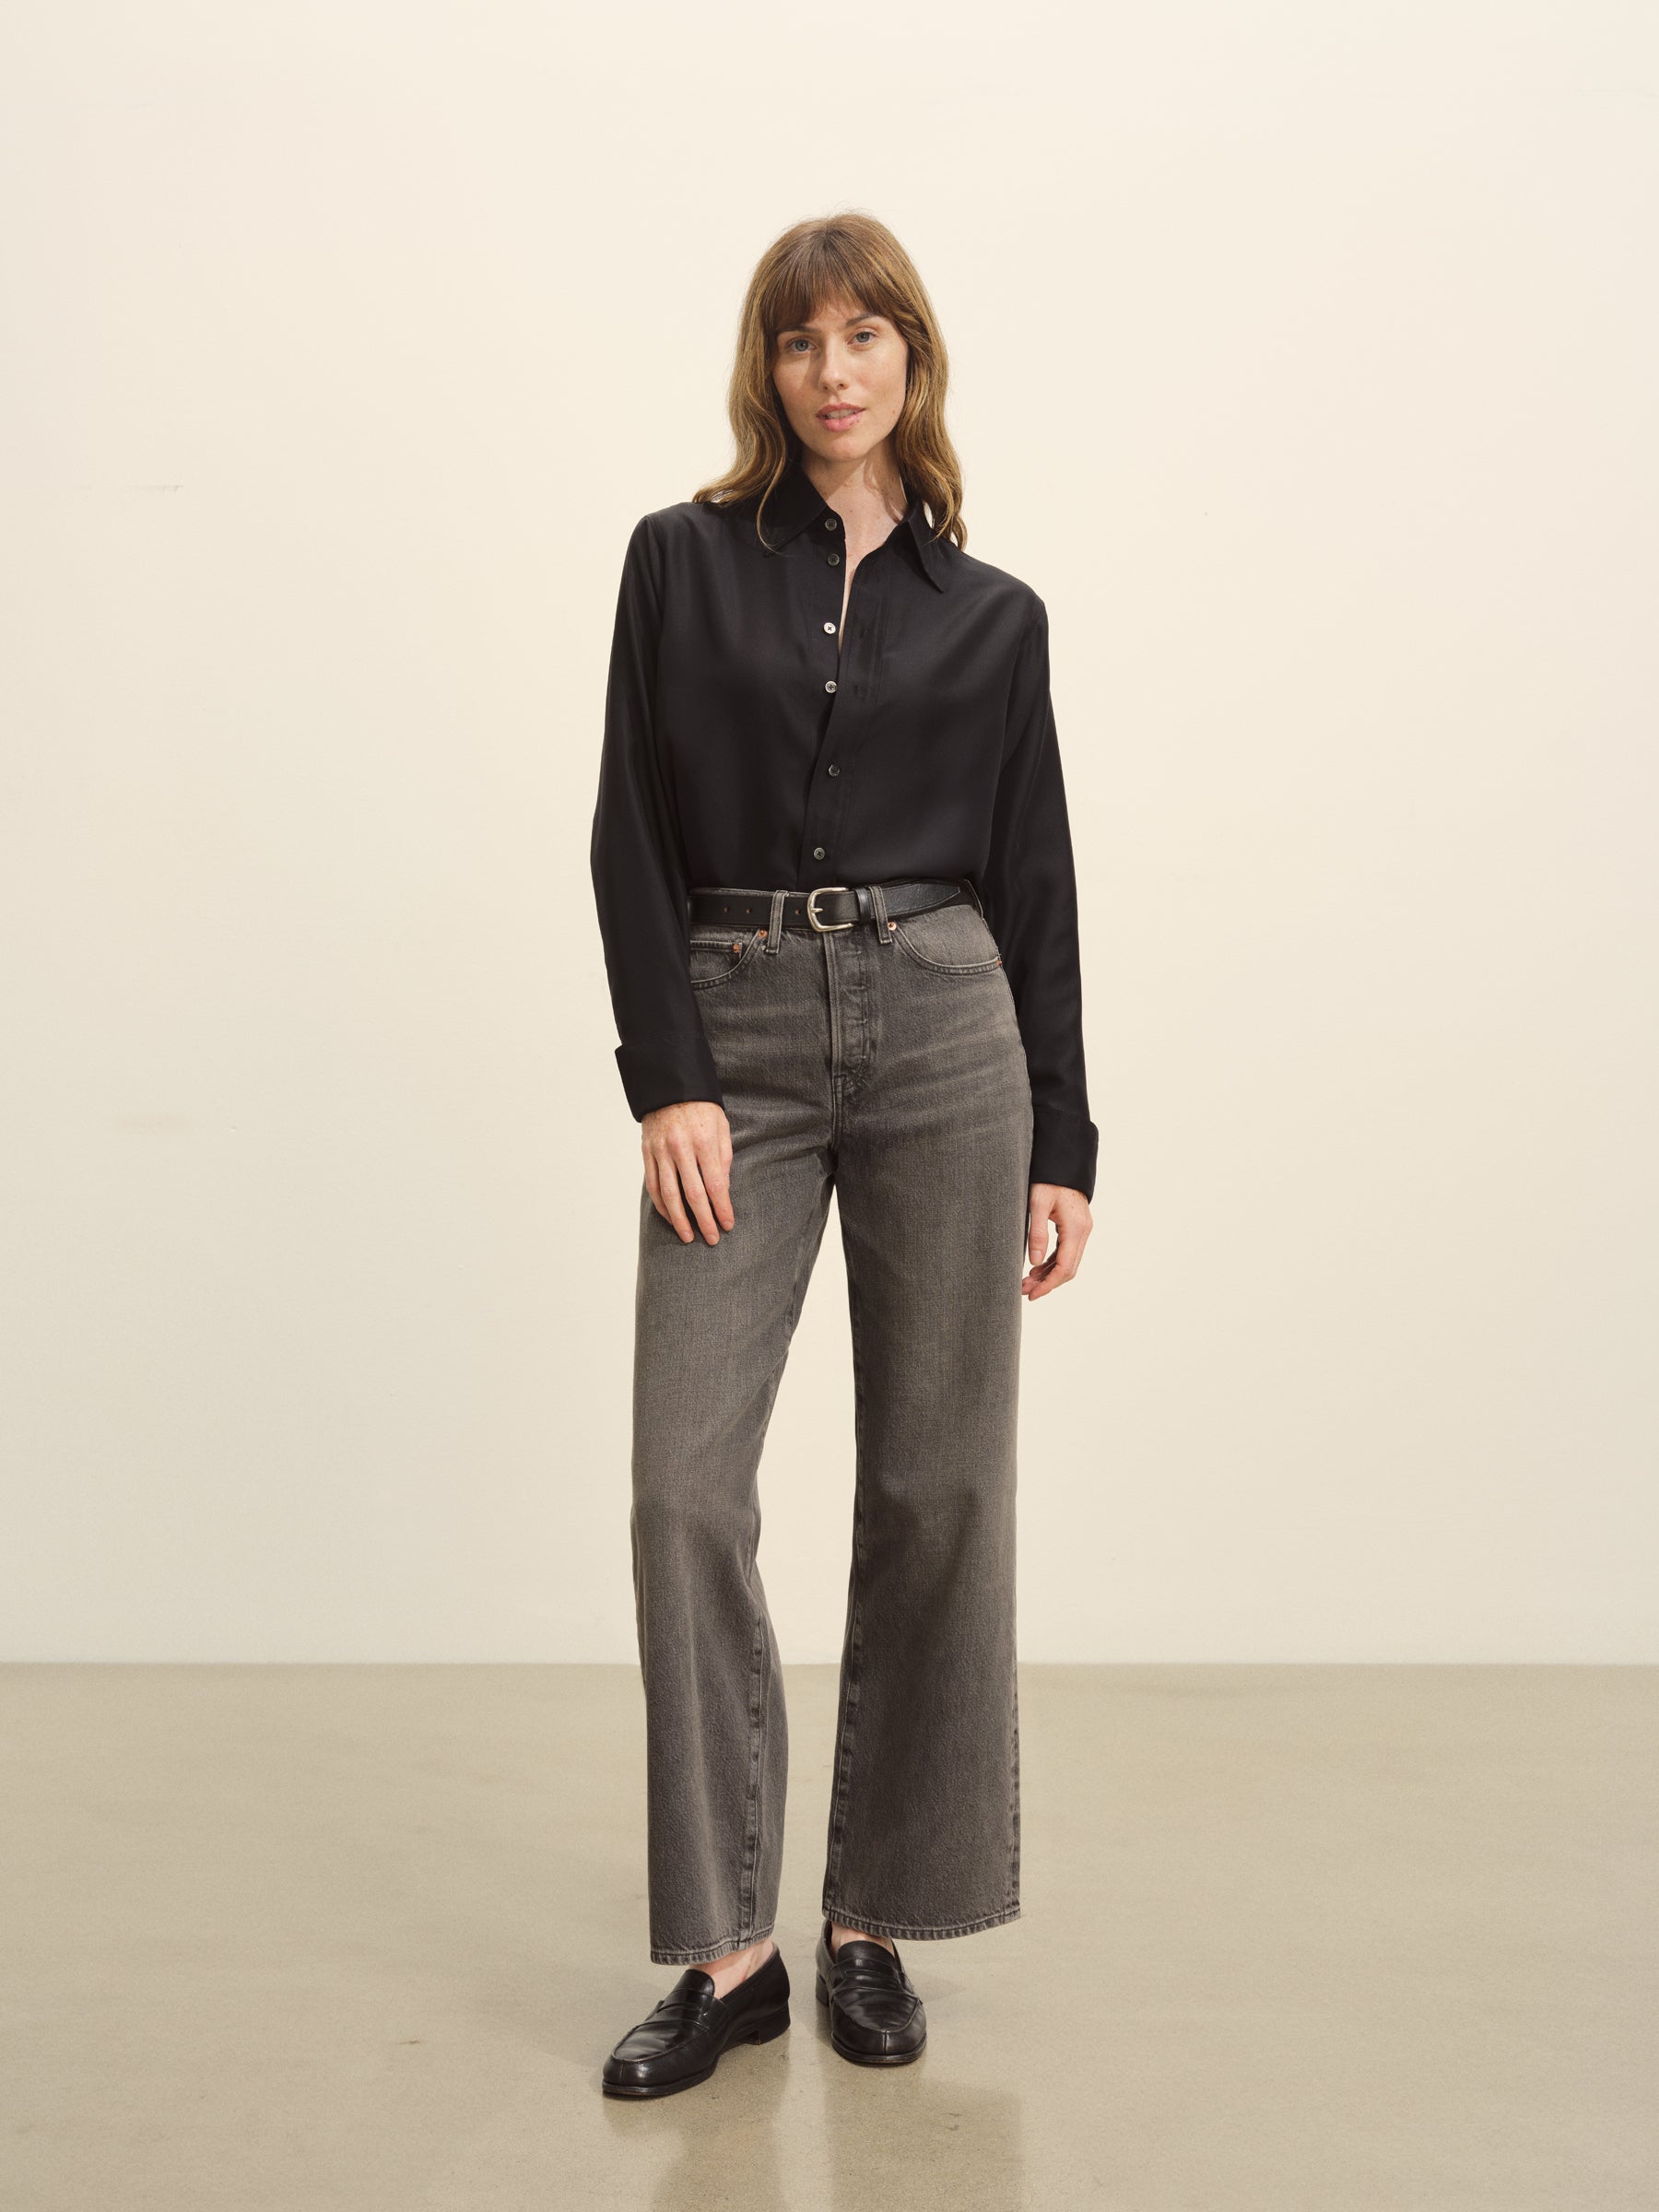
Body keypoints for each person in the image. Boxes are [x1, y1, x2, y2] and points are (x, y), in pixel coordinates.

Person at [588, 210, 1097, 2100]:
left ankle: (875, 1917)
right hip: (737, 1036)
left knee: (940, 1482)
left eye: (865, 333)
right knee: (683, 1488)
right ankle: (728, 1956)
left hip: (952, 1032)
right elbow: (628, 827)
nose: (833, 369)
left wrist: (1065, 1131)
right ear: (768, 367)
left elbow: (1035, 880)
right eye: (801, 338)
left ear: (912, 358)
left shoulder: (994, 615)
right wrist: (669, 1077)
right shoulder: (680, 561)